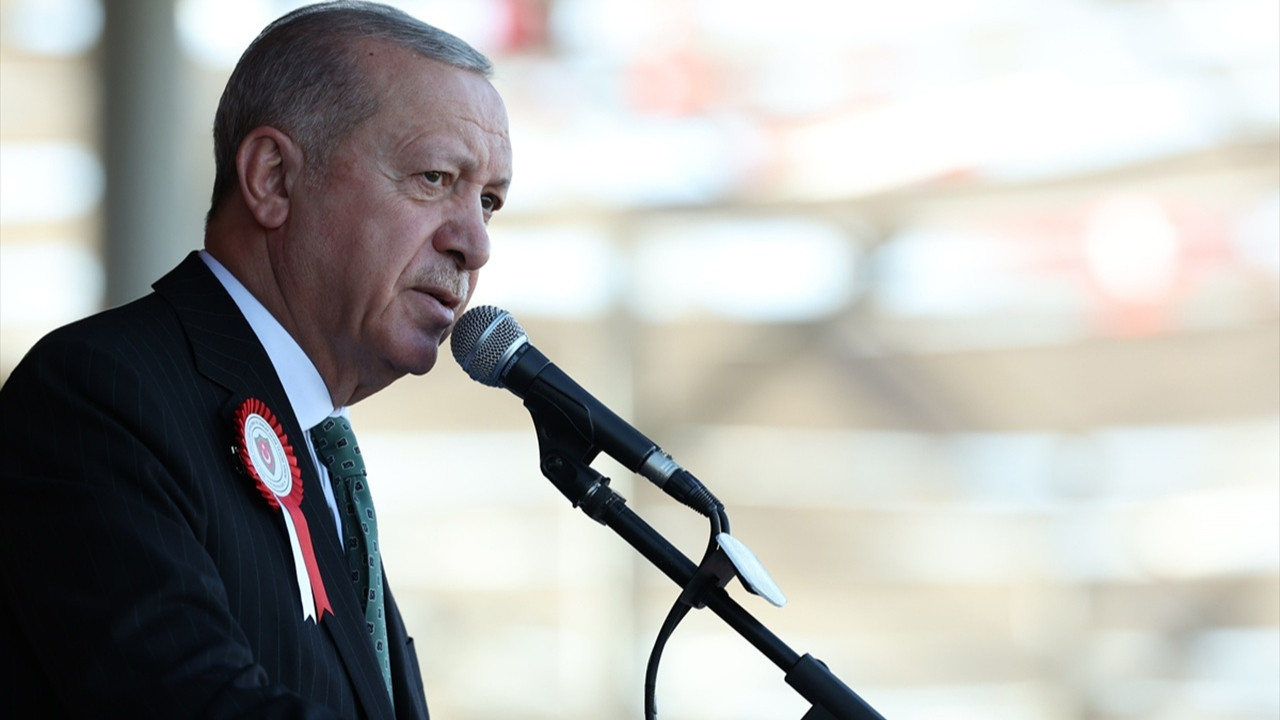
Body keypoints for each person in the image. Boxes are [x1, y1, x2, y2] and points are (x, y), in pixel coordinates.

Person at [0, 1, 512, 718]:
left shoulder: (320, 453)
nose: (475, 244)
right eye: (434, 178)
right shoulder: (100, 397)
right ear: (272, 177)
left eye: (488, 201)